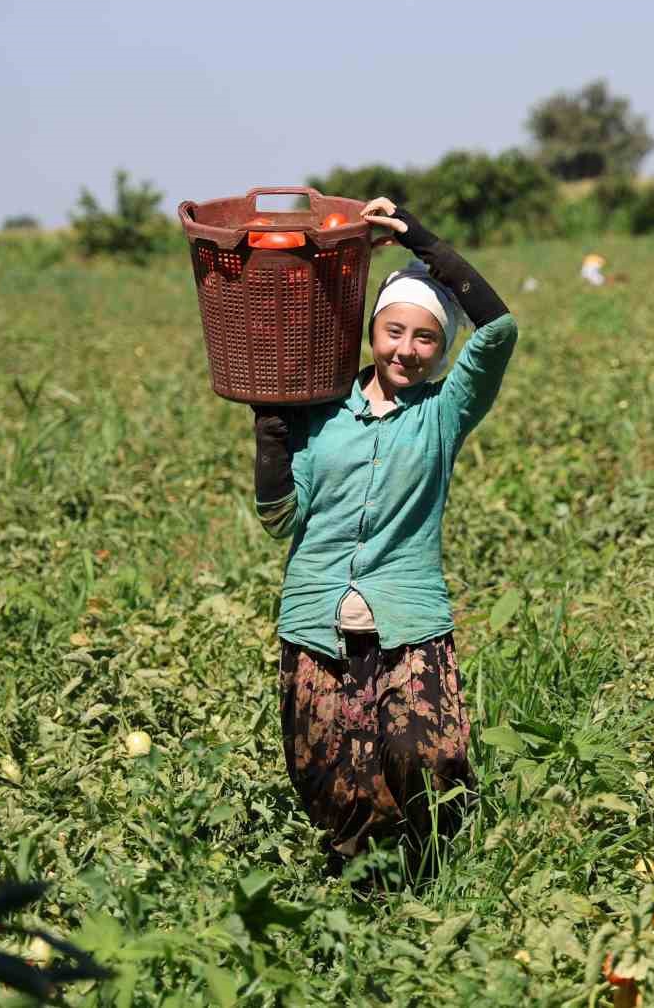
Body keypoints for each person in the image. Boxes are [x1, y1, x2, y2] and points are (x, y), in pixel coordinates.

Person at [248, 196, 517, 878]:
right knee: (324, 774)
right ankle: (354, 890)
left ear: (440, 347)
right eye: (394, 332)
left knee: (426, 755)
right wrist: (271, 438)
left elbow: (501, 328)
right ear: (373, 332)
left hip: (409, 617)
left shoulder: (445, 411)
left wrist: (422, 240)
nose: (407, 350)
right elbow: (280, 520)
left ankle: (434, 872)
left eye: (425, 338)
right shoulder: (322, 410)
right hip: (315, 616)